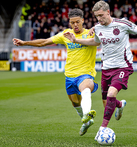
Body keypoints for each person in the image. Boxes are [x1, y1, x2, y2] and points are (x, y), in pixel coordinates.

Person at [64, 0, 137, 140]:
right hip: (106, 68)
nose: (99, 19)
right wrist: (76, 41)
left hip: (123, 66)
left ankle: (102, 129)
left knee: (112, 93)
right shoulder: (98, 28)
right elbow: (95, 42)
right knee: (106, 102)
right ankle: (120, 105)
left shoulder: (122, 24)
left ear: (108, 12)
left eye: (101, 15)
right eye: (97, 16)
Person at [12, 8, 98, 136]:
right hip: (69, 75)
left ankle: (87, 114)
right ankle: (85, 121)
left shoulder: (90, 33)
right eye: (72, 22)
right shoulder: (66, 34)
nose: (75, 25)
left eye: (77, 22)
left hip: (85, 73)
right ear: (69, 22)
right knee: (75, 102)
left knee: (85, 89)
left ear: (83, 21)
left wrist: (98, 28)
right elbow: (44, 42)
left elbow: (107, 29)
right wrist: (25, 43)